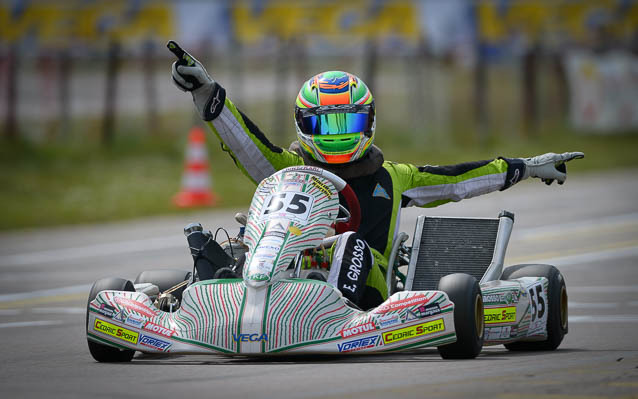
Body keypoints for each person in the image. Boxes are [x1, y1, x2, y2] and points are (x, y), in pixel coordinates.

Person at [168, 41, 584, 310]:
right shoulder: (287, 169)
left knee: (348, 245)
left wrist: (525, 167)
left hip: (366, 300)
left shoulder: (392, 177)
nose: (337, 136)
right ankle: (210, 298)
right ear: (303, 127)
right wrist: (205, 90)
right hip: (280, 276)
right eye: (325, 126)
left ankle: (319, 309)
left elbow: (458, 180)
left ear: (367, 124)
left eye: (346, 123)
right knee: (229, 245)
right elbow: (246, 143)